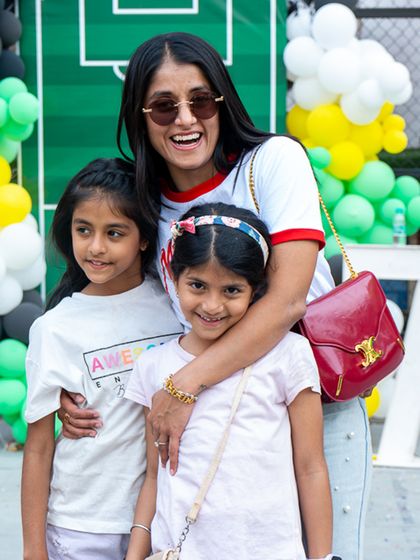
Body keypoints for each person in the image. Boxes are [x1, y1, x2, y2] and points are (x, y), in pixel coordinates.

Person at [60, 32, 371, 559]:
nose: (185, 118)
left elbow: (287, 300)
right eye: (163, 106)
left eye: (200, 101)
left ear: (222, 102)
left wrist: (182, 388)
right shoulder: (144, 203)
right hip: (208, 423)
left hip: (311, 404)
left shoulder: (272, 161)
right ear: (140, 116)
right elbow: (106, 294)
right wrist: (75, 382)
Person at [125, 202, 333, 560]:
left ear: (257, 289)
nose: (212, 305)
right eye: (197, 285)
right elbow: (155, 476)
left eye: (232, 290)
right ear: (173, 278)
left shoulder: (288, 355)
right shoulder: (154, 367)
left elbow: (311, 467)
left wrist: (323, 557)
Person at [21, 158, 181, 560]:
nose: (95, 247)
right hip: (80, 525)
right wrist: (33, 550)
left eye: (114, 233)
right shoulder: (54, 328)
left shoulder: (176, 305)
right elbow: (38, 448)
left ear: (144, 237)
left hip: (166, 517)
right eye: (83, 230)